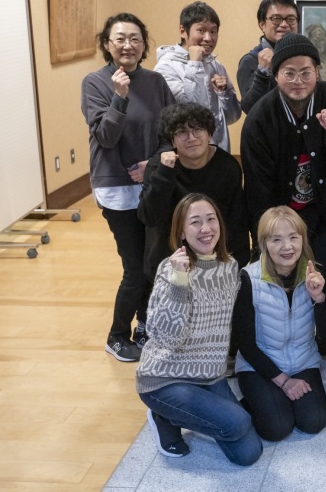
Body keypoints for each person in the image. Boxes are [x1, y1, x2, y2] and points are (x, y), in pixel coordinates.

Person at [240, 32, 326, 363]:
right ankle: (286, 342)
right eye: (289, 73)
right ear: (276, 74)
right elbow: (257, 187)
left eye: (305, 72)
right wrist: (264, 237)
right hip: (282, 216)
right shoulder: (260, 118)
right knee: (284, 278)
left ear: (317, 72)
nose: (298, 81)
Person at [137, 194, 262, 465]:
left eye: (210, 219)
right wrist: (179, 281)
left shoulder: (230, 267)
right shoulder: (170, 269)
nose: (205, 228)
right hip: (165, 378)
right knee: (238, 422)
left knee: (249, 454)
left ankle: (179, 413)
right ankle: (163, 416)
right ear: (181, 232)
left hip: (209, 374)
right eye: (195, 222)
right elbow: (167, 338)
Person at [81, 12, 175, 362]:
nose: (128, 45)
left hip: (153, 183)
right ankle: (117, 335)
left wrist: (153, 163)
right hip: (116, 188)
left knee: (153, 262)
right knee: (134, 268)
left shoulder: (155, 82)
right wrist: (119, 96)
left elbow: (171, 131)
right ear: (107, 44)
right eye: (120, 38)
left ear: (144, 44)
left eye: (135, 38)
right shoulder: (95, 83)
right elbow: (106, 137)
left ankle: (145, 325)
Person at [232, 206, 326, 441]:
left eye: (293, 237)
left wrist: (319, 298)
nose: (287, 247)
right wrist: (284, 381)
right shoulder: (248, 279)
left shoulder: (314, 274)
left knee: (315, 421)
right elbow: (244, 343)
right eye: (276, 239)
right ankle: (249, 401)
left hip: (302, 360)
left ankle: (272, 400)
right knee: (277, 428)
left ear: (302, 239)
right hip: (259, 364)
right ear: (264, 244)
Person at [139, 103, 250, 284]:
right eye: (182, 132)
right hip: (170, 257)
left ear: (209, 134)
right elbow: (149, 216)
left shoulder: (227, 166)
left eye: (198, 130)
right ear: (172, 140)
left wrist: (237, 263)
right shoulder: (160, 166)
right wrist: (165, 173)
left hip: (214, 258)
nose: (191, 138)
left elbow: (236, 221)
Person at [154, 1, 241, 152]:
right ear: (183, 31)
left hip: (219, 153)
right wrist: (194, 64)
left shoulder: (217, 66)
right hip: (187, 155)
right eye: (201, 30)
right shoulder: (165, 67)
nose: (208, 38)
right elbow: (187, 112)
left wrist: (224, 93)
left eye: (213, 31)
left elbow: (233, 117)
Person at [238, 0, 300, 114]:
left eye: (291, 19)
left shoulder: (304, 57)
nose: (284, 24)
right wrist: (262, 72)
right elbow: (250, 108)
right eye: (276, 19)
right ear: (262, 24)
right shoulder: (250, 60)